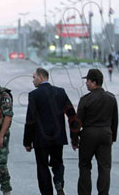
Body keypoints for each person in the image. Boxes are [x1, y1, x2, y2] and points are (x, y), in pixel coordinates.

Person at [23, 67, 80, 195]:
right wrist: (74, 137)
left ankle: (47, 192)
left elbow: (30, 120)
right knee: (58, 162)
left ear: (41, 77)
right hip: (58, 137)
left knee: (42, 166)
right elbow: (72, 114)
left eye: (34, 77)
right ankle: (59, 183)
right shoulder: (61, 92)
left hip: (40, 139)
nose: (33, 80)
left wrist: (27, 142)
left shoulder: (34, 95)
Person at [73, 69, 118, 195]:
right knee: (105, 167)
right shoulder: (111, 98)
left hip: (88, 135)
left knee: (85, 166)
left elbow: (77, 122)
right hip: (105, 135)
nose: (86, 83)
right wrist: (112, 137)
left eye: (87, 81)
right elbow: (115, 120)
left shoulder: (85, 99)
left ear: (94, 82)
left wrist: (74, 139)